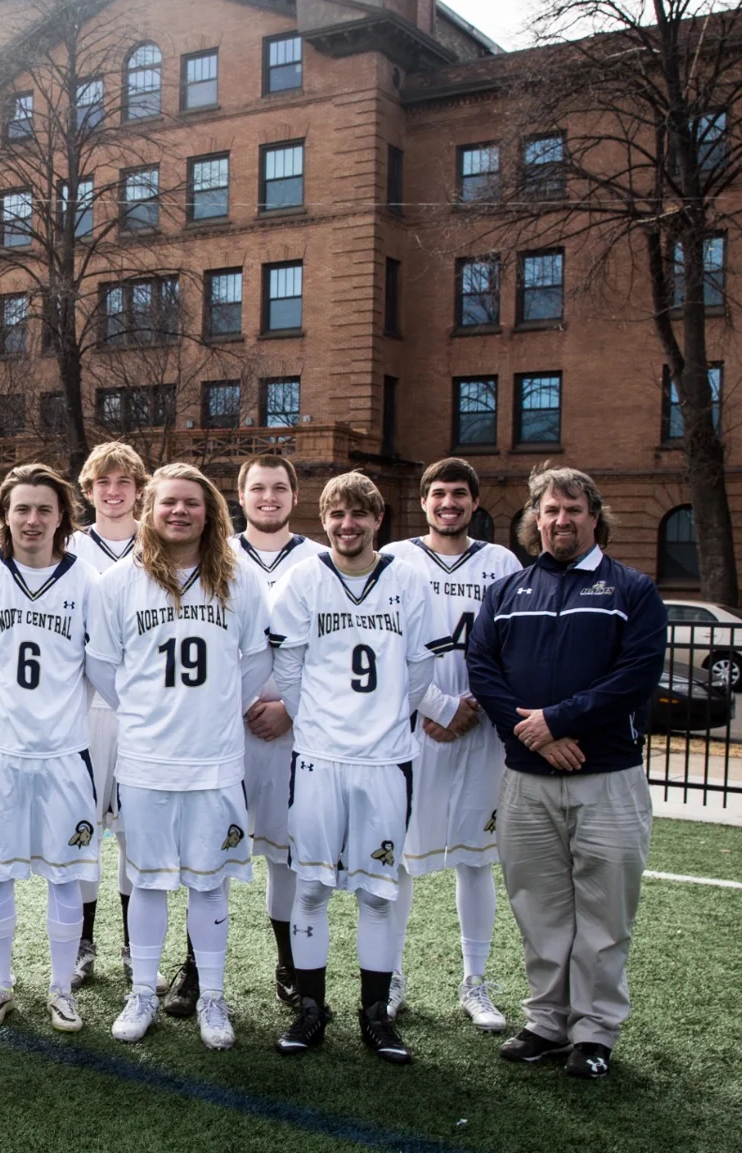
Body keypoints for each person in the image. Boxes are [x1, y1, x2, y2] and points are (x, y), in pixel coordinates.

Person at [468, 466, 664, 1082]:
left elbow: (636, 675)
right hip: (528, 780)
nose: (561, 520)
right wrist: (532, 733)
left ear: (594, 516)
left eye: (573, 510)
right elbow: (482, 668)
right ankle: (548, 1022)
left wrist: (558, 720)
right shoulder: (507, 592)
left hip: (606, 778)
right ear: (535, 519)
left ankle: (594, 1032)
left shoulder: (631, 590)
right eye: (550, 510)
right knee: (540, 908)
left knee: (605, 913)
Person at [85, 463, 272, 1050]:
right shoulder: (118, 582)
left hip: (216, 761)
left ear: (210, 511)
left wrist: (216, 710)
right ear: (150, 509)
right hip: (146, 759)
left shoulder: (240, 581)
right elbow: (100, 666)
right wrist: (145, 713)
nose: (180, 512)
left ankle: (212, 996)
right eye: (169, 502)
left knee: (211, 882)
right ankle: (142, 990)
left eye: (192, 503)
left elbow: (258, 659)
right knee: (147, 881)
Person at [268, 472, 445, 1065]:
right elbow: (288, 669)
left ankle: (375, 1014)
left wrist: (384, 720)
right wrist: (320, 723)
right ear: (325, 520)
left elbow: (420, 669)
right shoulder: (302, 578)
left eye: (360, 515)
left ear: (378, 520)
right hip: (319, 758)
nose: (348, 525)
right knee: (312, 885)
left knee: (376, 893)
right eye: (338, 515)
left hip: (385, 762)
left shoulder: (409, 579)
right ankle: (312, 1009)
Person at [0, 463, 100, 1032]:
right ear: (4, 516)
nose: (32, 520)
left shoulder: (87, 582)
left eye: (44, 510)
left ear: (62, 516)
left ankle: (61, 990)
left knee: (65, 874)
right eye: (21, 510)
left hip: (65, 753)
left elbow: (97, 664)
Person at [386, 458, 521, 1032]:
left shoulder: (502, 562)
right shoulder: (396, 558)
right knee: (399, 859)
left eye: (459, 495)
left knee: (475, 859)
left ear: (474, 503)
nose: (449, 503)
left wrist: (475, 707)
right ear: (423, 502)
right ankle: (387, 976)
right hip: (414, 726)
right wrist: (436, 707)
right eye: (439, 494)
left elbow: (515, 647)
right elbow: (385, 641)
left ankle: (475, 981)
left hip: (481, 726)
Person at [229, 453, 328, 1018]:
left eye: (279, 488)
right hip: (225, 728)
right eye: (258, 488)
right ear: (240, 496)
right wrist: (244, 702)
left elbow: (329, 653)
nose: (269, 497)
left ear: (296, 496)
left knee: (286, 855)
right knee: (210, 848)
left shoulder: (319, 561)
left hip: (297, 729)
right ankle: (196, 965)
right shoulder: (215, 556)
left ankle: (289, 965)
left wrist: (288, 706)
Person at [64, 441, 148, 991]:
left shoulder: (162, 542)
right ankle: (82, 941)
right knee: (83, 829)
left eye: (123, 482)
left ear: (140, 490)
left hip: (147, 710)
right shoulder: (68, 547)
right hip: (83, 706)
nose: (113, 492)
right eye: (102, 482)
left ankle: (134, 944)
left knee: (137, 833)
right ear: (87, 489)